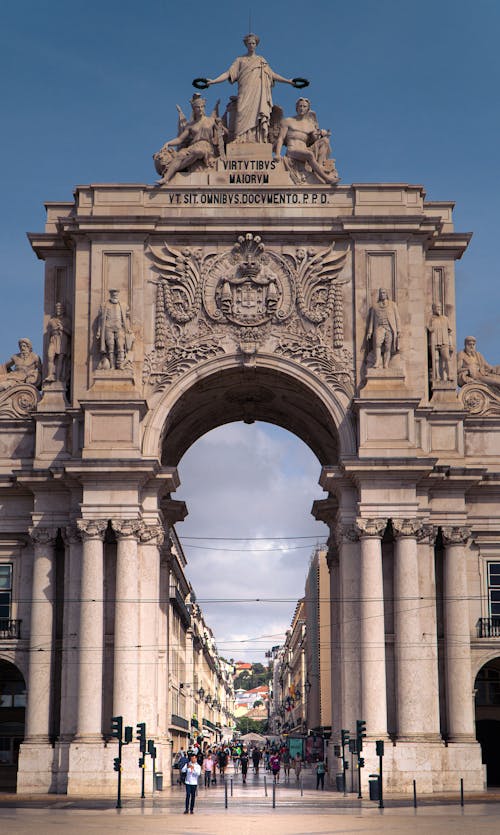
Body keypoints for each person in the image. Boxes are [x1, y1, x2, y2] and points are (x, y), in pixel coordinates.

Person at [206, 33, 297, 143]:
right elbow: (228, 74)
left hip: (258, 92)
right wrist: (213, 81)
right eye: (249, 43)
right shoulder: (240, 60)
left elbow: (272, 74)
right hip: (245, 91)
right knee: (241, 112)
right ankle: (239, 138)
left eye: (253, 43)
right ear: (246, 44)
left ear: (256, 45)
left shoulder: (261, 60)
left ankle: (257, 140)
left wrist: (288, 81)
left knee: (258, 113)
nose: (251, 45)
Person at [154, 94, 223, 183]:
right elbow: (180, 139)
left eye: (202, 107)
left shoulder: (211, 120)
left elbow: (222, 133)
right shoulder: (190, 125)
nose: (201, 109)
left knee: (198, 151)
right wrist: (168, 143)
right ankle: (166, 178)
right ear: (194, 109)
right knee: (180, 155)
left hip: (205, 146)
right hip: (193, 146)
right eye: (198, 107)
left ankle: (178, 168)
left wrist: (221, 126)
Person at [275, 98, 339, 184]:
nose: (302, 108)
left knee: (325, 141)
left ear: (307, 109)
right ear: (296, 108)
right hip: (292, 150)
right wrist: (278, 154)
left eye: (304, 106)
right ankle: (326, 178)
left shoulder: (310, 125)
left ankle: (318, 167)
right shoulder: (287, 121)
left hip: (305, 150)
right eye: (300, 106)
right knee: (309, 154)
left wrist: (322, 134)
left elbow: (314, 139)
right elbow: (281, 138)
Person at [96, 288, 133, 370]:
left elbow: (127, 318)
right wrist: (99, 331)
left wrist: (128, 328)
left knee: (120, 346)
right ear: (111, 295)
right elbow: (101, 319)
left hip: (119, 328)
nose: (114, 295)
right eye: (113, 294)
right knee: (111, 348)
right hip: (108, 328)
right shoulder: (104, 305)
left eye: (116, 294)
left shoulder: (123, 305)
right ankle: (112, 365)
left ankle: (120, 364)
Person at [366, 287, 401, 369]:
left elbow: (397, 318)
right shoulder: (375, 306)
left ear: (387, 294)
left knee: (388, 347)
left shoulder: (392, 304)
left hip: (390, 328)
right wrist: (369, 332)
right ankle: (377, 362)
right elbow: (372, 320)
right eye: (381, 293)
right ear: (379, 294)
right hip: (380, 327)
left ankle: (386, 364)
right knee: (377, 343)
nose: (383, 294)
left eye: (384, 292)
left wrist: (399, 330)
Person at [45, 302, 71, 384]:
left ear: (63, 310)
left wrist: (63, 328)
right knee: (50, 357)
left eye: (60, 309)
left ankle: (58, 378)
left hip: (63, 339)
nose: (58, 310)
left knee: (60, 359)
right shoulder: (51, 321)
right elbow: (48, 333)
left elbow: (71, 333)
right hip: (53, 339)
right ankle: (50, 374)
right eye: (57, 309)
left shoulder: (67, 320)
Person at [428, 302, 453, 382]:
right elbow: (429, 329)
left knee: (447, 358)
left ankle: (449, 375)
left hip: (444, 342)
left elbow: (449, 333)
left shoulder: (445, 319)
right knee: (436, 359)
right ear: (433, 308)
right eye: (436, 307)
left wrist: (451, 344)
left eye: (439, 307)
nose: (438, 308)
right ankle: (437, 376)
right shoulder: (431, 319)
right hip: (435, 342)